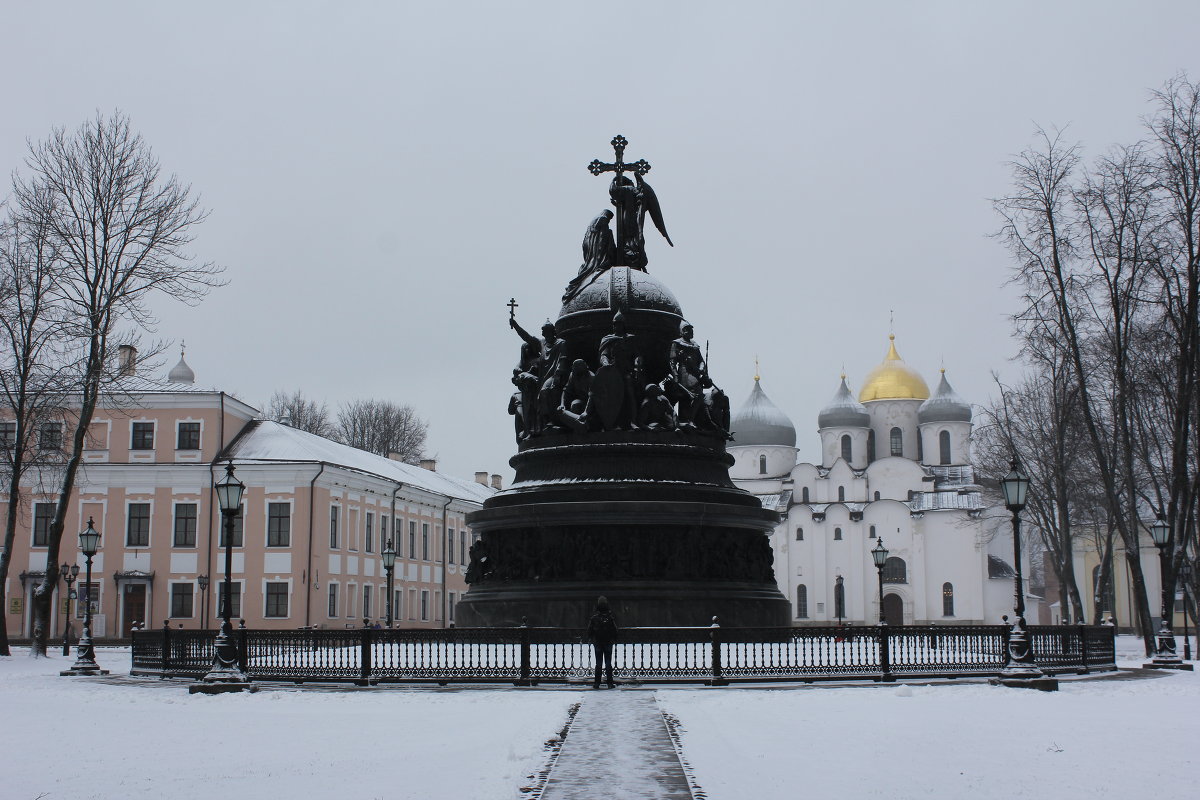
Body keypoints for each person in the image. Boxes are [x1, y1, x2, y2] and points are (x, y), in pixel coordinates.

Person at [586, 596, 618, 688]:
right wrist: (614, 639)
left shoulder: (594, 618)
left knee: (598, 663)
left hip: (598, 643)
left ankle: (597, 683)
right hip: (608, 642)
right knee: (608, 663)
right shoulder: (610, 617)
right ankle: (610, 683)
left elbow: (589, 630)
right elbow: (614, 630)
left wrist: (591, 638)